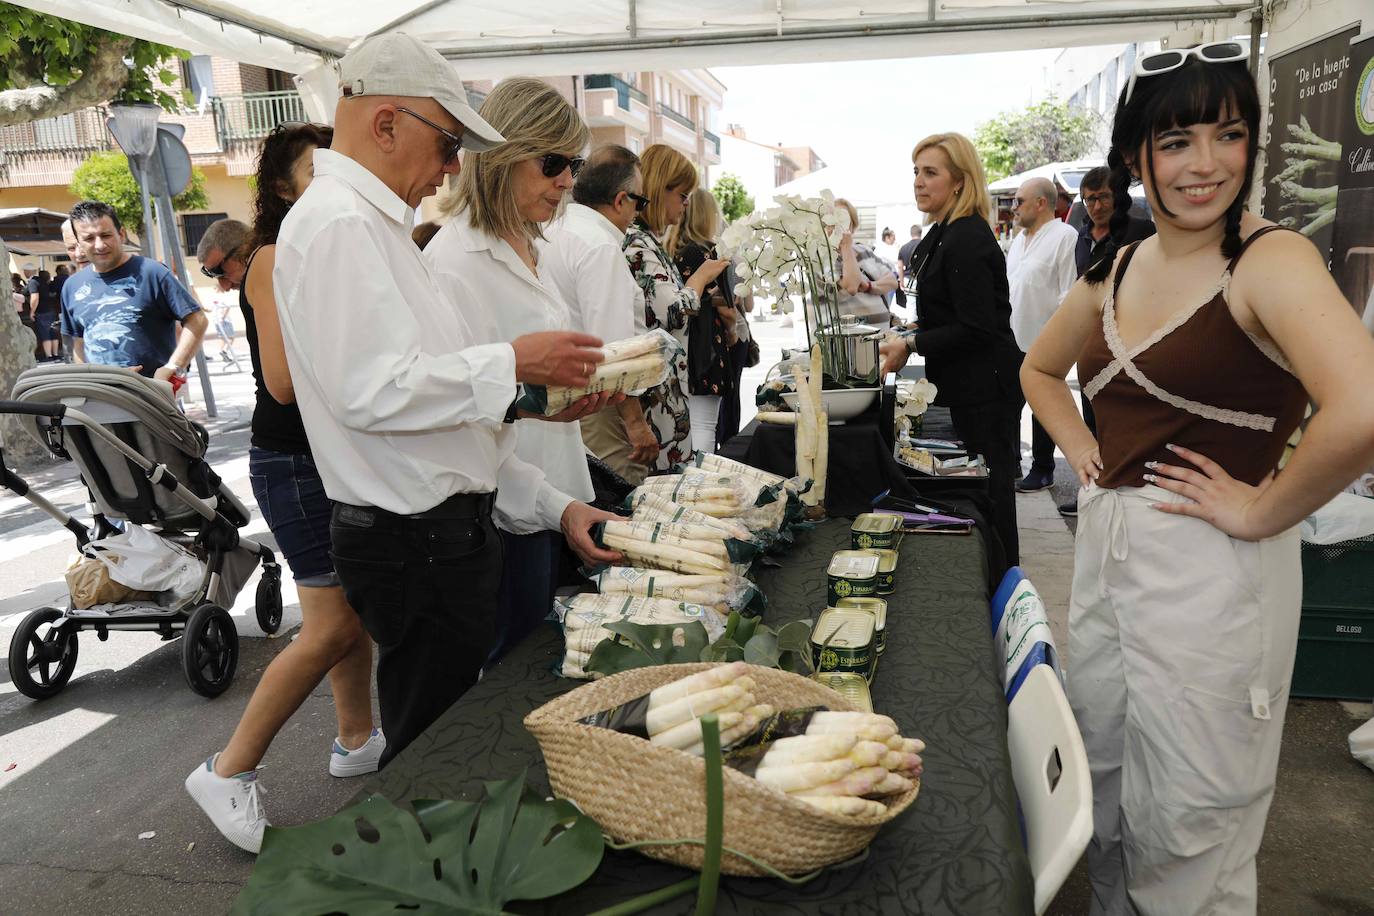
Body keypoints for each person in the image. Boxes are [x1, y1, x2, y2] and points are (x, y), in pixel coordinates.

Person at [1022, 47, 1374, 914]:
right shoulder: (1119, 264)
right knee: (1104, 779)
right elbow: (1037, 370)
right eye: (1176, 140)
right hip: (1110, 563)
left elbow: (1361, 410)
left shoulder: (1270, 260)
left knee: (1193, 817)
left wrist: (1260, 512)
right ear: (1137, 154)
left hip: (1216, 574)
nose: (1206, 163)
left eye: (1231, 134)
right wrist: (1084, 452)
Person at [264, 34, 618, 781]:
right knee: (432, 759)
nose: (456, 165)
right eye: (450, 141)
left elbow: (449, 436)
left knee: (452, 743)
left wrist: (553, 500)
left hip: (437, 538)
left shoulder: (372, 224)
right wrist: (512, 366)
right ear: (386, 124)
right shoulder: (339, 224)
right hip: (413, 544)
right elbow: (371, 391)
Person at [185, 125, 384, 856]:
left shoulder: (325, 247)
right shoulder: (273, 257)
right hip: (294, 462)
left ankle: (358, 739)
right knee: (330, 625)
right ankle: (226, 769)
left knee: (350, 614)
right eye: (314, 167)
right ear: (278, 186)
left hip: (319, 458)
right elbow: (283, 382)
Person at [425, 77, 603, 659]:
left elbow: (524, 381)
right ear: (501, 156)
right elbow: (459, 408)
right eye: (553, 162)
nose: (568, 181)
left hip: (554, 498)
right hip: (505, 514)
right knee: (514, 675)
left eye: (573, 165)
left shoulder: (532, 244)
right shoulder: (452, 262)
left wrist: (569, 398)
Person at [879, 133, 1024, 567]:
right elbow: (950, 313)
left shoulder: (967, 237)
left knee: (992, 497)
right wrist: (910, 330)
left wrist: (911, 342)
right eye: (916, 173)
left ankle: (1002, 588)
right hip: (966, 386)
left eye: (931, 173)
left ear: (959, 181)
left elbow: (977, 327)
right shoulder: (944, 233)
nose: (919, 183)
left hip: (986, 390)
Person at [541, 144, 661, 484]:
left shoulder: (554, 229)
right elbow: (614, 351)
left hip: (563, 394)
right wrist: (636, 424)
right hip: (602, 401)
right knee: (616, 496)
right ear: (621, 200)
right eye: (640, 202)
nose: (638, 213)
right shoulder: (600, 245)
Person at [1058, 166, 1156, 517]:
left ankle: (1125, 489)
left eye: (1101, 197)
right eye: (1088, 198)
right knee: (1093, 419)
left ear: (1118, 197)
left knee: (1125, 420)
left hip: (1132, 338)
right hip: (1092, 342)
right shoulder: (1081, 235)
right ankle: (1093, 489)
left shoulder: (1141, 232)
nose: (1095, 205)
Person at [625, 144, 728, 462]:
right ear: (659, 190)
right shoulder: (638, 242)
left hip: (665, 393)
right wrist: (700, 279)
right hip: (655, 398)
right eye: (682, 195)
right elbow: (669, 312)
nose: (685, 204)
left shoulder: (648, 241)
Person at [60, 201, 207, 382]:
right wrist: (85, 384)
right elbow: (79, 342)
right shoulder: (72, 287)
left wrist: (172, 367)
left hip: (150, 396)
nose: (99, 245)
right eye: (89, 238)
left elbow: (197, 320)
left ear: (121, 234)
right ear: (79, 243)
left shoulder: (153, 273)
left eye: (106, 235)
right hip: (99, 398)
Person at [1006, 176, 1078, 493]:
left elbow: (1069, 292)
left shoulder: (1065, 236)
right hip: (1011, 336)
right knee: (1008, 404)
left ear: (1041, 203)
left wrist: (1058, 340)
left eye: (1018, 201)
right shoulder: (1018, 241)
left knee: (1041, 408)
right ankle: (1010, 463)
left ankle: (1043, 468)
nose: (1013, 208)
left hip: (1043, 338)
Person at [666, 186, 739, 454]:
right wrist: (732, 329)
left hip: (681, 345)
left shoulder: (671, 249)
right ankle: (700, 485)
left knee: (687, 425)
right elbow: (727, 307)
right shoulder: (707, 253)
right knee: (705, 425)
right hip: (706, 345)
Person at [26, 268, 62, 360]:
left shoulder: (33, 282)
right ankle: (55, 354)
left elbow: (35, 298)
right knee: (53, 332)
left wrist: (32, 311)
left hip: (42, 312)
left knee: (45, 333)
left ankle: (49, 355)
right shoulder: (44, 283)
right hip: (51, 310)